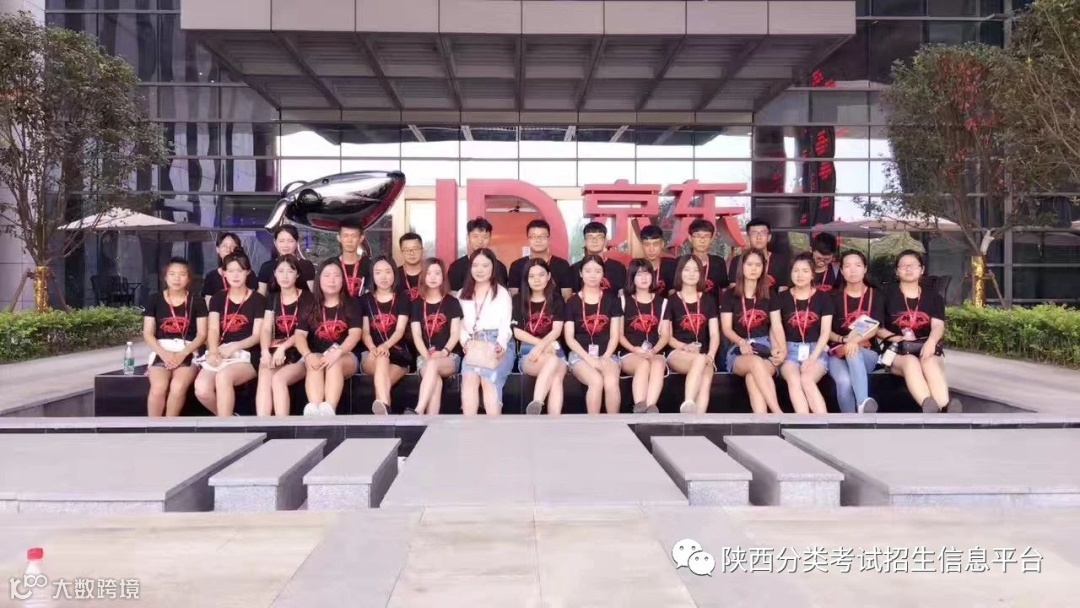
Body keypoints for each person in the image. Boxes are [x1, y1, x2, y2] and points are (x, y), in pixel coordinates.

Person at [880, 250, 959, 413]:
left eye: (913, 265)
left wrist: (931, 342)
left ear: (922, 270)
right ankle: (936, 408)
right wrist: (898, 339)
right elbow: (878, 328)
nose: (908, 269)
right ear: (896, 271)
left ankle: (942, 408)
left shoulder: (933, 297)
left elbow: (938, 326)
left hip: (926, 347)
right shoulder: (885, 294)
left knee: (928, 361)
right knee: (911, 362)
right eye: (903, 266)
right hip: (897, 351)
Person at [194, 251, 266, 416]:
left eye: (240, 270)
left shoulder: (258, 299)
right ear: (224, 273)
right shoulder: (218, 298)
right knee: (202, 389)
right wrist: (213, 351)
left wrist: (234, 347)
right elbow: (213, 329)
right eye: (231, 270)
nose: (235, 275)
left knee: (223, 377)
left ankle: (224, 426)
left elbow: (257, 335)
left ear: (248, 272)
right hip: (221, 352)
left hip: (248, 354)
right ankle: (229, 419)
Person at [720, 249, 786, 414]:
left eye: (758, 265)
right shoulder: (729, 295)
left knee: (752, 377)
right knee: (755, 363)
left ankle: (763, 421)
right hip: (738, 348)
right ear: (742, 267)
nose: (754, 268)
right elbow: (726, 328)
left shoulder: (770, 295)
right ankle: (778, 413)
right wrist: (741, 342)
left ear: (764, 268)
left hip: (765, 347)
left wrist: (782, 350)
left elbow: (777, 325)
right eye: (749, 264)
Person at [294, 261, 363, 416]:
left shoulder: (352, 303)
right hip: (317, 354)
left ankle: (329, 409)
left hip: (345, 355)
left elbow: (355, 334)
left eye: (337, 275)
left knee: (334, 362)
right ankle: (314, 409)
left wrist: (337, 352)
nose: (332, 280)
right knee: (314, 362)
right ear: (319, 279)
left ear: (343, 279)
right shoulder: (309, 303)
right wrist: (308, 355)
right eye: (327, 275)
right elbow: (299, 335)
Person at [143, 257, 208, 417]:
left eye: (182, 274)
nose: (177, 278)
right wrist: (164, 354)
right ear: (165, 277)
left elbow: (202, 334)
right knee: (158, 388)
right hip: (162, 349)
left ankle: (169, 426)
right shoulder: (155, 299)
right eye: (172, 274)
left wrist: (182, 354)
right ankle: (152, 426)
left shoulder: (197, 301)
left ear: (189, 278)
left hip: (188, 350)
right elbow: (148, 333)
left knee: (178, 387)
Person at [564, 254, 624, 415]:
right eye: (588, 271)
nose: (592, 275)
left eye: (597, 271)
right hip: (580, 355)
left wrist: (606, 356)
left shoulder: (612, 301)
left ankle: (613, 423)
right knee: (596, 381)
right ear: (581, 273)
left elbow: (615, 335)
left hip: (607, 354)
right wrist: (589, 359)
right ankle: (594, 424)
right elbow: (569, 337)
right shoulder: (572, 302)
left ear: (603, 273)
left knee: (611, 382)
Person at [826, 250, 885, 414]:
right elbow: (826, 331)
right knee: (844, 381)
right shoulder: (832, 297)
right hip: (837, 352)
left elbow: (874, 328)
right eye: (847, 266)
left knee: (854, 350)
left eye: (857, 265)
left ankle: (861, 403)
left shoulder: (875, 295)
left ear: (865, 269)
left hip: (867, 353)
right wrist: (844, 340)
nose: (852, 270)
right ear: (841, 270)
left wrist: (853, 342)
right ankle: (855, 417)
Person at [459, 248, 515, 415]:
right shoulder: (462, 294)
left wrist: (500, 344)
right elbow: (459, 324)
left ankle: (493, 427)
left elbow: (506, 324)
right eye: (475, 265)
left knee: (488, 378)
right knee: (469, 379)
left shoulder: (502, 293)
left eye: (485, 265)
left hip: (496, 342)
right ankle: (469, 427)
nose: (480, 270)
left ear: (493, 267)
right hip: (473, 344)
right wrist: (465, 342)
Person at [255, 255, 313, 417]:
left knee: (278, 379)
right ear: (275, 273)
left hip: (300, 352)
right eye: (280, 271)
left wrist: (283, 348)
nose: (285, 276)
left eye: (290, 271)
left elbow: (303, 332)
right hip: (277, 351)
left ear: (297, 274)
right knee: (264, 369)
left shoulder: (308, 298)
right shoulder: (272, 298)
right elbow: (266, 329)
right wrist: (265, 351)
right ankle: (263, 422)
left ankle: (282, 425)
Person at [778, 253, 835, 414]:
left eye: (805, 271)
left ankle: (824, 423)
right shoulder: (781, 297)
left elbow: (825, 332)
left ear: (812, 274)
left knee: (807, 379)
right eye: (796, 270)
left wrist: (812, 358)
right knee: (794, 380)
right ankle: (803, 424)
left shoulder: (824, 298)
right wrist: (779, 349)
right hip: (789, 350)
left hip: (816, 349)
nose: (800, 275)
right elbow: (775, 327)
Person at [665, 255, 721, 414]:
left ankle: (698, 419)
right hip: (678, 352)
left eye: (696, 270)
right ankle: (688, 402)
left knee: (706, 377)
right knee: (700, 360)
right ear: (680, 272)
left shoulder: (709, 300)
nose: (691, 273)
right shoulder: (671, 300)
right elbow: (667, 336)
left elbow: (714, 334)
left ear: (701, 274)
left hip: (704, 354)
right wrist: (684, 347)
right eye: (687, 269)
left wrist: (711, 355)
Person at [513, 258, 568, 416]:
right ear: (526, 279)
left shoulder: (556, 299)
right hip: (528, 351)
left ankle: (542, 410)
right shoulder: (518, 300)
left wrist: (542, 346)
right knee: (553, 363)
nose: (537, 280)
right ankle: (538, 402)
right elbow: (517, 332)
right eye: (532, 276)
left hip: (555, 349)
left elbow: (557, 330)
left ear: (548, 276)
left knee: (556, 375)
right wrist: (540, 346)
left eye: (541, 275)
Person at [409, 258, 463, 416]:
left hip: (449, 356)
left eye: (437, 273)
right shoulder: (417, 304)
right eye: (429, 273)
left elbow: (455, 333)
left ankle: (418, 410)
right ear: (423, 277)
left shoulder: (452, 302)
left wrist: (444, 352)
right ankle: (431, 421)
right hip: (425, 356)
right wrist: (427, 355)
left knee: (433, 366)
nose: (433, 277)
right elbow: (416, 335)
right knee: (435, 381)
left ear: (443, 277)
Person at [360, 255, 413, 415]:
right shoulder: (365, 300)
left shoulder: (402, 298)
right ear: (372, 275)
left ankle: (383, 410)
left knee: (383, 381)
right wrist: (373, 348)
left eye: (388, 272)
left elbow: (400, 330)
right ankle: (384, 407)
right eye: (378, 272)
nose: (383, 277)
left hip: (398, 355)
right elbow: (365, 332)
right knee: (382, 360)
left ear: (394, 274)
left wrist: (385, 346)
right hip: (372, 354)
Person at [618, 259, 670, 414]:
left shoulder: (663, 303)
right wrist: (634, 349)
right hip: (630, 353)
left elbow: (665, 335)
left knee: (658, 363)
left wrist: (654, 350)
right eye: (639, 274)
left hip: (654, 352)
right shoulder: (623, 301)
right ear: (632, 277)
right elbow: (619, 334)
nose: (644, 278)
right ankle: (640, 405)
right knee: (643, 364)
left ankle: (651, 406)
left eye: (647, 273)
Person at [509, 219, 574, 300]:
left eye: (542, 236)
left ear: (549, 239)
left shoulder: (562, 265)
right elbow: (513, 298)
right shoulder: (517, 266)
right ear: (528, 239)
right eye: (533, 236)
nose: (538, 240)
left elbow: (567, 298)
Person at [727, 218, 790, 293]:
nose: (759, 237)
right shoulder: (737, 261)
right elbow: (734, 290)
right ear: (748, 237)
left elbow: (783, 291)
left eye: (763, 233)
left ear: (769, 237)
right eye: (754, 233)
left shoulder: (780, 261)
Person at [448, 217, 509, 292]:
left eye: (485, 237)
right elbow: (454, 295)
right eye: (475, 236)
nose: (480, 241)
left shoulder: (499, 267)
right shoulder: (456, 267)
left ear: (490, 238)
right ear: (467, 237)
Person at [257, 225, 316, 295]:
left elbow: (313, 294)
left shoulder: (306, 265)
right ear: (275, 242)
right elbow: (261, 295)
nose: (285, 245)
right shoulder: (267, 267)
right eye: (281, 241)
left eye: (290, 241)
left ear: (297, 242)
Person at [570, 222, 626, 293]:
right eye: (590, 237)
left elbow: (623, 295)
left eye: (599, 237)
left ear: (605, 241)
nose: (594, 241)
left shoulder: (618, 268)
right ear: (584, 241)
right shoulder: (574, 269)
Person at [201, 232, 256, 306]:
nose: (228, 249)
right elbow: (208, 304)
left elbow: (253, 300)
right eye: (225, 246)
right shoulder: (211, 276)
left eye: (233, 246)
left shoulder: (248, 274)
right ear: (217, 249)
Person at [685, 218, 730, 303]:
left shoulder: (719, 262)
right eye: (698, 236)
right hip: (686, 309)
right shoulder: (681, 263)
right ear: (690, 238)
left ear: (711, 239)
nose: (702, 240)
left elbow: (724, 290)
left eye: (706, 236)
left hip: (713, 310)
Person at [335, 219, 370, 298]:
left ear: (361, 238)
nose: (349, 240)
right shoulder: (330, 265)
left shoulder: (369, 265)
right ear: (339, 238)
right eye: (345, 236)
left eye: (354, 236)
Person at [639, 224, 677, 294]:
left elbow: (673, 295)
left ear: (662, 244)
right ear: (641, 245)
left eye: (655, 244)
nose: (651, 249)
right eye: (647, 244)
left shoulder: (672, 266)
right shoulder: (636, 267)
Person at [396, 232, 425, 302]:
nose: (411, 253)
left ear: (422, 250)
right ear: (401, 252)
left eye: (415, 249)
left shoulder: (430, 273)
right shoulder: (394, 274)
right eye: (407, 250)